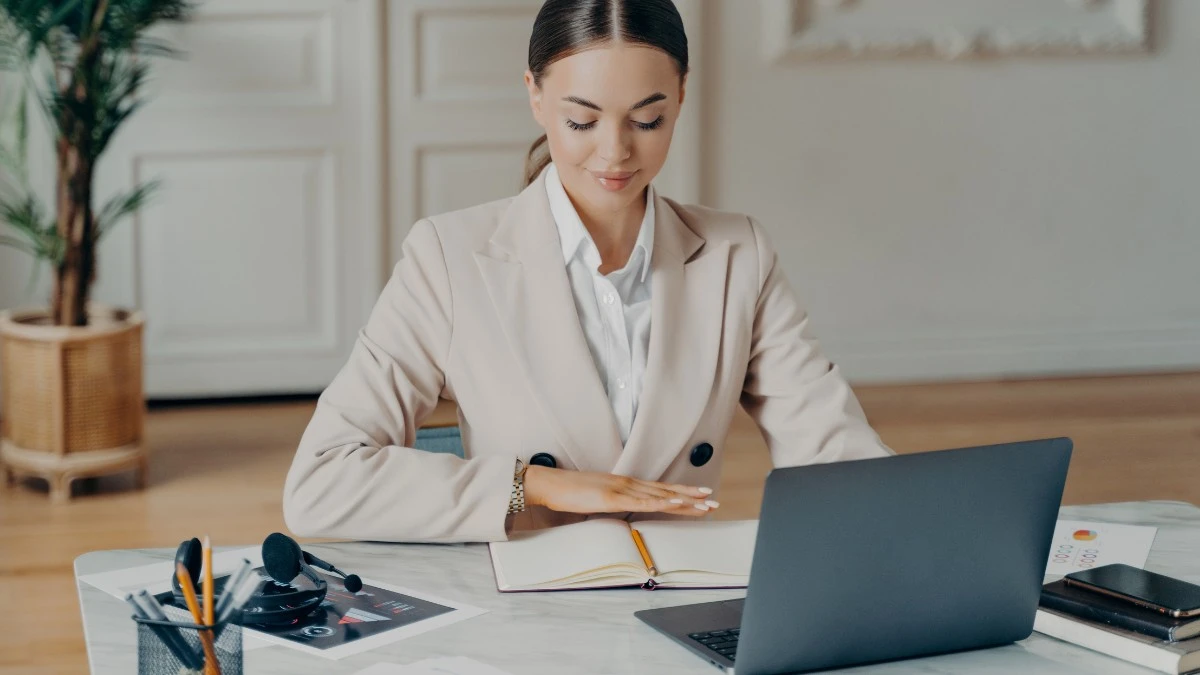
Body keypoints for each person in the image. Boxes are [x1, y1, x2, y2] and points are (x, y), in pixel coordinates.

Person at [283, 0, 893, 544]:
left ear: (681, 94)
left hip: (680, 595)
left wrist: (931, 520)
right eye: (582, 120)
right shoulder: (447, 257)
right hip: (526, 610)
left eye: (646, 120)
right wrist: (537, 486)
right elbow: (321, 482)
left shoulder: (738, 253)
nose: (615, 152)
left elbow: (832, 449)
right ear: (535, 95)